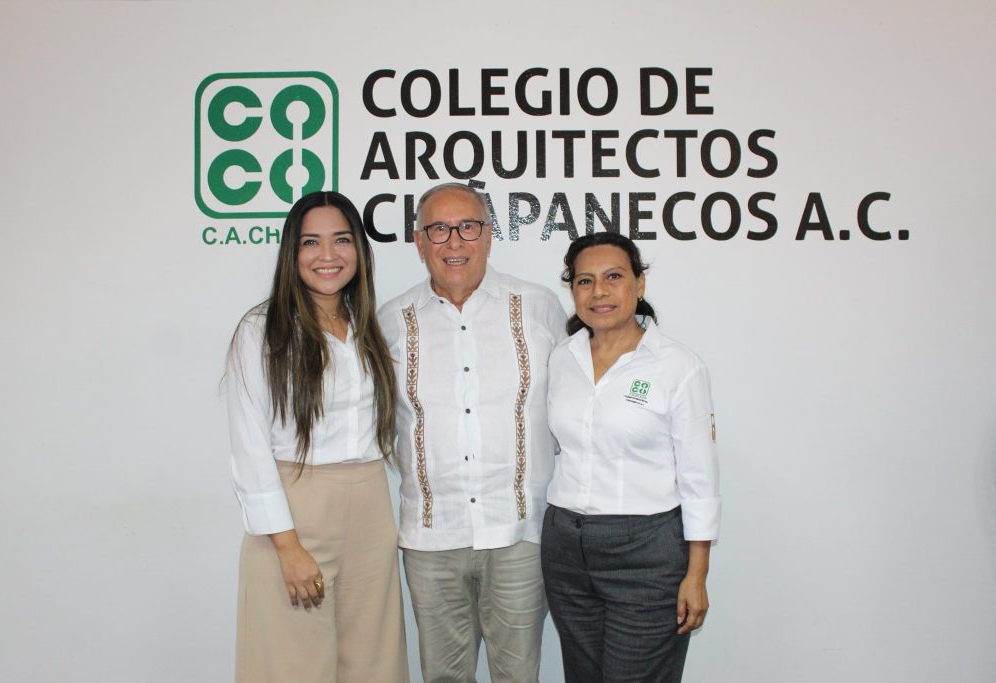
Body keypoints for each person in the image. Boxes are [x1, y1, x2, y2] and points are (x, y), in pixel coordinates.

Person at [378, 182, 566, 683]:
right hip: (431, 539)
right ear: (419, 242)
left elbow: (573, 405)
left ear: (488, 235)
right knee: (443, 676)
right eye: (439, 229)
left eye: (468, 227)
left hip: (519, 535)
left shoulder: (539, 306)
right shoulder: (391, 321)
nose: (454, 242)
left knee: (518, 675)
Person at [226, 191, 408, 683]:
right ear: (292, 251)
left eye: (341, 240)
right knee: (291, 665)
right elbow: (249, 446)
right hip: (295, 514)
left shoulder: (368, 328)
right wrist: (288, 547)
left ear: (359, 250)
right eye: (311, 242)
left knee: (374, 663)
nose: (327, 255)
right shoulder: (262, 331)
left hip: (370, 508)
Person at [541, 232, 720, 683]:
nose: (599, 292)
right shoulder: (562, 358)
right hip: (565, 549)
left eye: (614, 277)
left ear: (639, 284)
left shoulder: (677, 365)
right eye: (585, 281)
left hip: (646, 553)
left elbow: (699, 478)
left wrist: (696, 574)